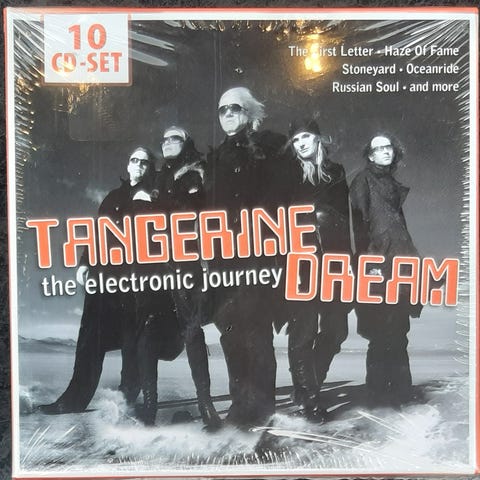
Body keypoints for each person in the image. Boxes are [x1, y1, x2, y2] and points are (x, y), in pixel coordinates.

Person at [38, 147, 183, 424]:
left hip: (136, 282)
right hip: (104, 278)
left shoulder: (157, 198)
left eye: (144, 162)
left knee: (132, 341)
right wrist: (84, 263)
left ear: (150, 169)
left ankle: (126, 399)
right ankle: (72, 400)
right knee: (90, 338)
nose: (138, 165)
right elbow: (97, 232)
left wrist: (148, 205)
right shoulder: (112, 197)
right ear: (127, 165)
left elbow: (163, 235)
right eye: (134, 160)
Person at [206, 87, 286, 427]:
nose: (227, 114)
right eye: (222, 109)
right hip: (223, 256)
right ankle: (240, 406)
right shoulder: (214, 159)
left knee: (257, 329)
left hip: (257, 252)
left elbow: (281, 198)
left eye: (235, 108)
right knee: (230, 331)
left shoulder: (268, 150)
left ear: (248, 112)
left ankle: (263, 408)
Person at [282, 119, 351, 422]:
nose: (301, 143)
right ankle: (310, 399)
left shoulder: (336, 172)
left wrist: (349, 263)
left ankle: (310, 385)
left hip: (334, 261)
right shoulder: (289, 174)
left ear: (318, 139)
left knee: (337, 329)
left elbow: (345, 220)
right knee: (303, 331)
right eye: (296, 140)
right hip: (300, 261)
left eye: (306, 137)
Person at [155, 126, 221, 430]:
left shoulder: (196, 171)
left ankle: (205, 402)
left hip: (188, 259)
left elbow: (198, 209)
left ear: (186, 143)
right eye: (165, 139)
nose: (168, 142)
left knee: (194, 328)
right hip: (158, 262)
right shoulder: (159, 177)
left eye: (175, 138)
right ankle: (140, 399)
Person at [350, 134, 421, 406]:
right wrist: (367, 264)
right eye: (378, 148)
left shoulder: (390, 184)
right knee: (380, 333)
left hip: (400, 265)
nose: (385, 152)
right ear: (370, 155)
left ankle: (401, 392)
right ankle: (378, 395)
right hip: (377, 266)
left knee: (399, 331)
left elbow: (400, 232)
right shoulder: (363, 181)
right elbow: (359, 226)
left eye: (388, 147)